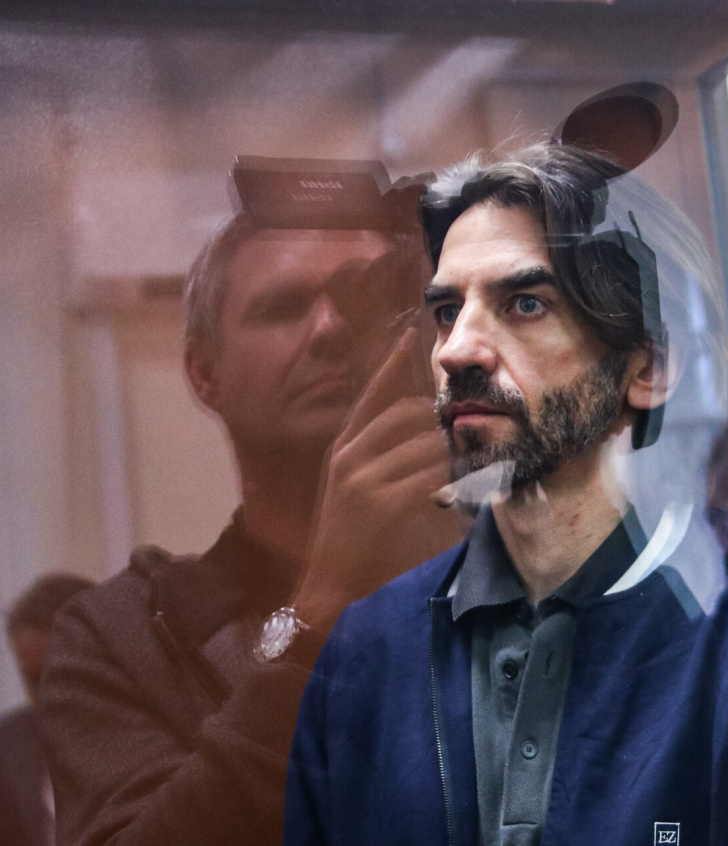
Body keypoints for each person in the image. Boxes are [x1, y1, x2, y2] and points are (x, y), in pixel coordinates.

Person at [285, 142, 728, 846]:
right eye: (447, 311)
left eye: (524, 304)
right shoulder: (370, 648)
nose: (456, 350)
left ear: (647, 367)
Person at [36, 161, 465, 846]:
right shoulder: (122, 637)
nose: (329, 328)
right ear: (205, 372)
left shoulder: (518, 566)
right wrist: (323, 608)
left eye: (362, 301)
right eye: (283, 308)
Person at [0, 573, 93, 846]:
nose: (48, 697)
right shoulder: (6, 747)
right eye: (33, 679)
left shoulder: (158, 743)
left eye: (60, 677)